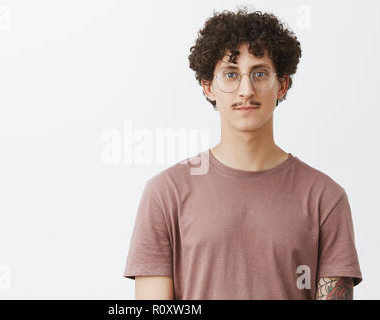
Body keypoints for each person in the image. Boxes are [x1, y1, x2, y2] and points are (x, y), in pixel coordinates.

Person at [123, 7, 362, 300]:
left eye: (259, 74)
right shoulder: (165, 193)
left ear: (282, 84)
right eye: (231, 74)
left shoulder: (325, 198)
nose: (246, 90)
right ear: (208, 86)